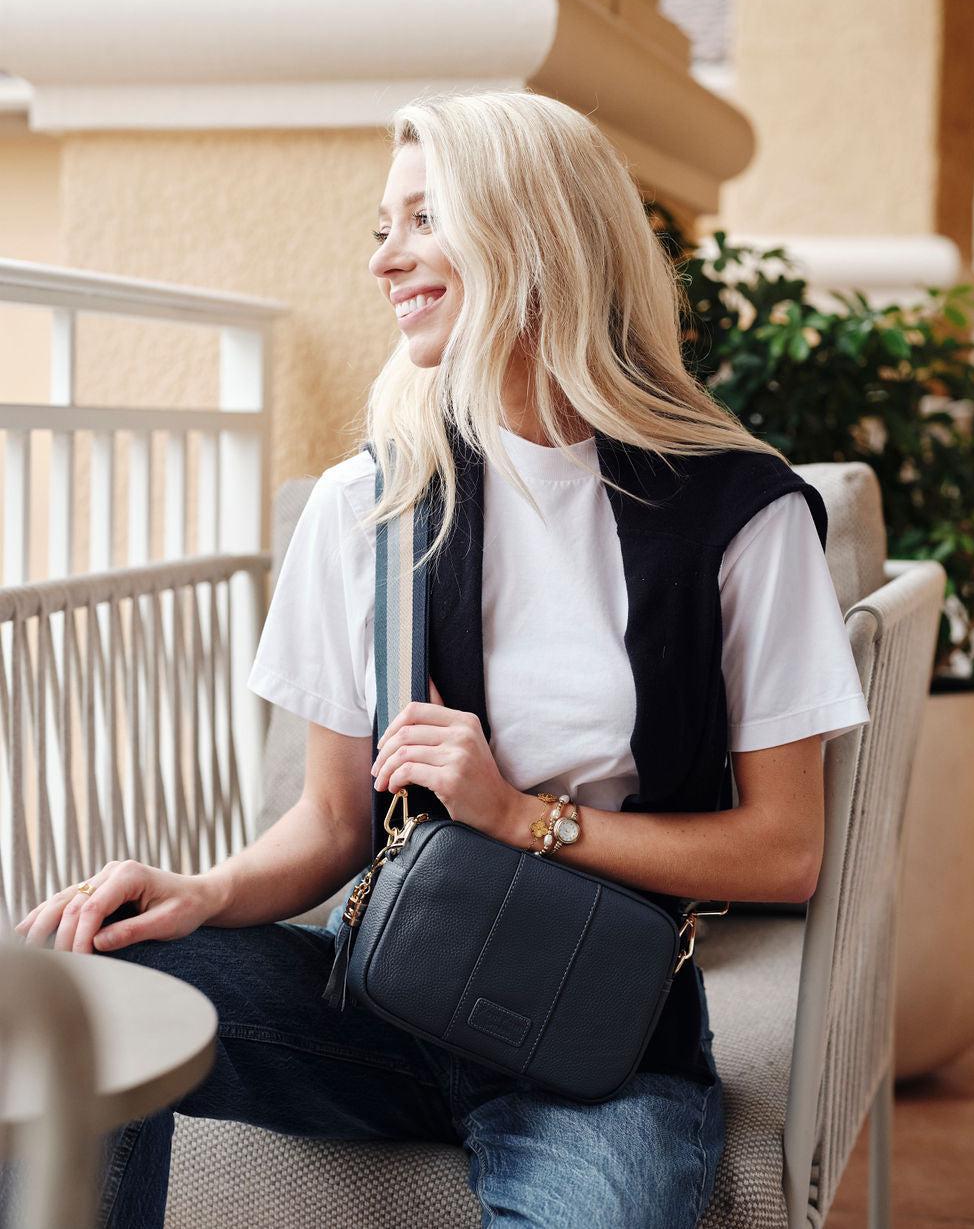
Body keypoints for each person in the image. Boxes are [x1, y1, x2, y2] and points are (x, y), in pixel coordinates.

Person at [8, 89, 869, 1229]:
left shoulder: (740, 515)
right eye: (383, 227)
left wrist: (520, 816)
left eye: (424, 218)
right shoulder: (371, 503)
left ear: (538, 230)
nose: (385, 259)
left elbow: (785, 850)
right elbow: (333, 823)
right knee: (82, 982)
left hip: (598, 1049)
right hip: (379, 999)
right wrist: (201, 893)